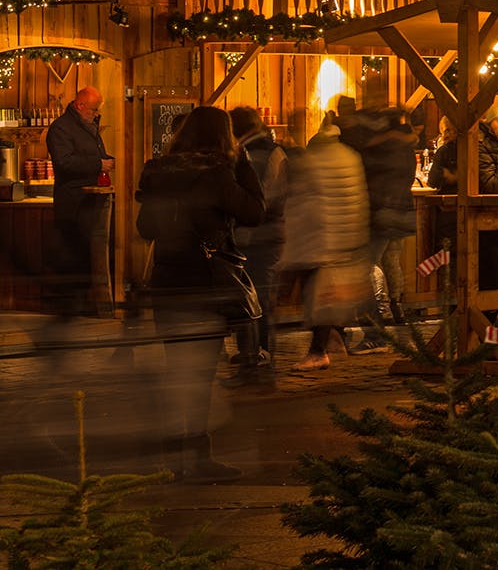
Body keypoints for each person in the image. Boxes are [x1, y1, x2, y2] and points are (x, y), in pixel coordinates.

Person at [135, 106, 263, 482]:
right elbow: (255, 210)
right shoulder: (219, 173)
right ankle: (198, 457)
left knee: (177, 370)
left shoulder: (157, 171)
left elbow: (145, 228)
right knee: (202, 374)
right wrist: (241, 165)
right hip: (205, 282)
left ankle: (174, 457)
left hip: (167, 280)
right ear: (226, 137)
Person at [281, 120, 373, 371]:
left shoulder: (314, 160)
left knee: (318, 298)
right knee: (326, 298)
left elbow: (307, 205)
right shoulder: (351, 157)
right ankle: (332, 340)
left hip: (322, 241)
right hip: (345, 239)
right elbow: (358, 199)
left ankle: (318, 351)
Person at [431, 97, 498, 290]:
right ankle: (482, 315)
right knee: (486, 274)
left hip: (494, 219)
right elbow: (492, 185)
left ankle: (483, 315)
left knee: (484, 272)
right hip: (478, 219)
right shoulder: (479, 144)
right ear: (487, 121)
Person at [345, 107, 418, 352]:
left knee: (362, 269)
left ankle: (375, 332)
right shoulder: (404, 146)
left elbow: (371, 180)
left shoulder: (380, 147)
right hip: (397, 213)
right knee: (376, 266)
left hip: (379, 214)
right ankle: (386, 313)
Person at [45, 87, 113, 343]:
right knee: (72, 257)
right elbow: (64, 162)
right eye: (94, 110)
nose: (97, 115)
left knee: (88, 257)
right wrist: (98, 164)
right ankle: (69, 313)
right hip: (73, 204)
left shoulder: (87, 126)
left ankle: (84, 310)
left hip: (91, 202)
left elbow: (91, 155)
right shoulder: (61, 128)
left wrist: (104, 160)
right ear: (80, 105)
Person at [225, 106, 287, 386]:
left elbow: (261, 197)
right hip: (269, 234)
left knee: (254, 298)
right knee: (256, 296)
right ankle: (255, 350)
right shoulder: (273, 150)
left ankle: (257, 351)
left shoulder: (254, 154)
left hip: (257, 235)